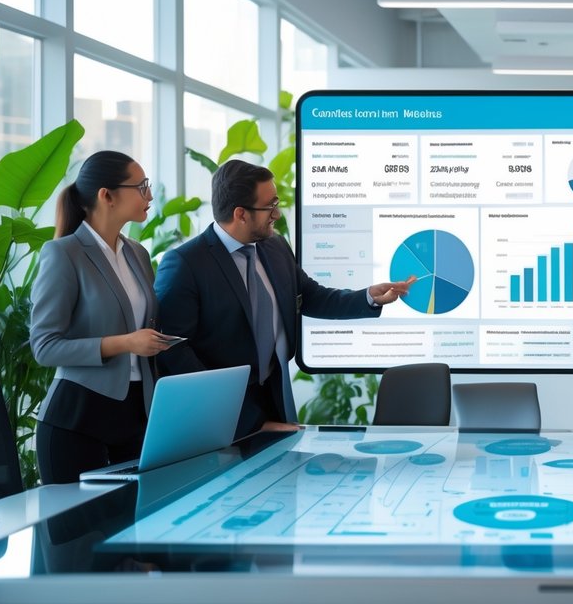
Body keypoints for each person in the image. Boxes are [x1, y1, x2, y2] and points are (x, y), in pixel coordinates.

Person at [155, 159, 415, 439]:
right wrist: (245, 420)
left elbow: (312, 296)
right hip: (219, 412)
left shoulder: (274, 245)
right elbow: (175, 352)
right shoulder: (185, 264)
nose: (277, 214)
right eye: (270, 206)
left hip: (274, 396)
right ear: (241, 214)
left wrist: (369, 297)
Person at [30, 151, 174, 484]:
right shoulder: (63, 253)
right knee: (79, 534)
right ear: (106, 196)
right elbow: (45, 346)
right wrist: (126, 343)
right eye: (141, 186)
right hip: (78, 420)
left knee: (133, 529)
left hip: (137, 416)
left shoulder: (138, 253)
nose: (149, 195)